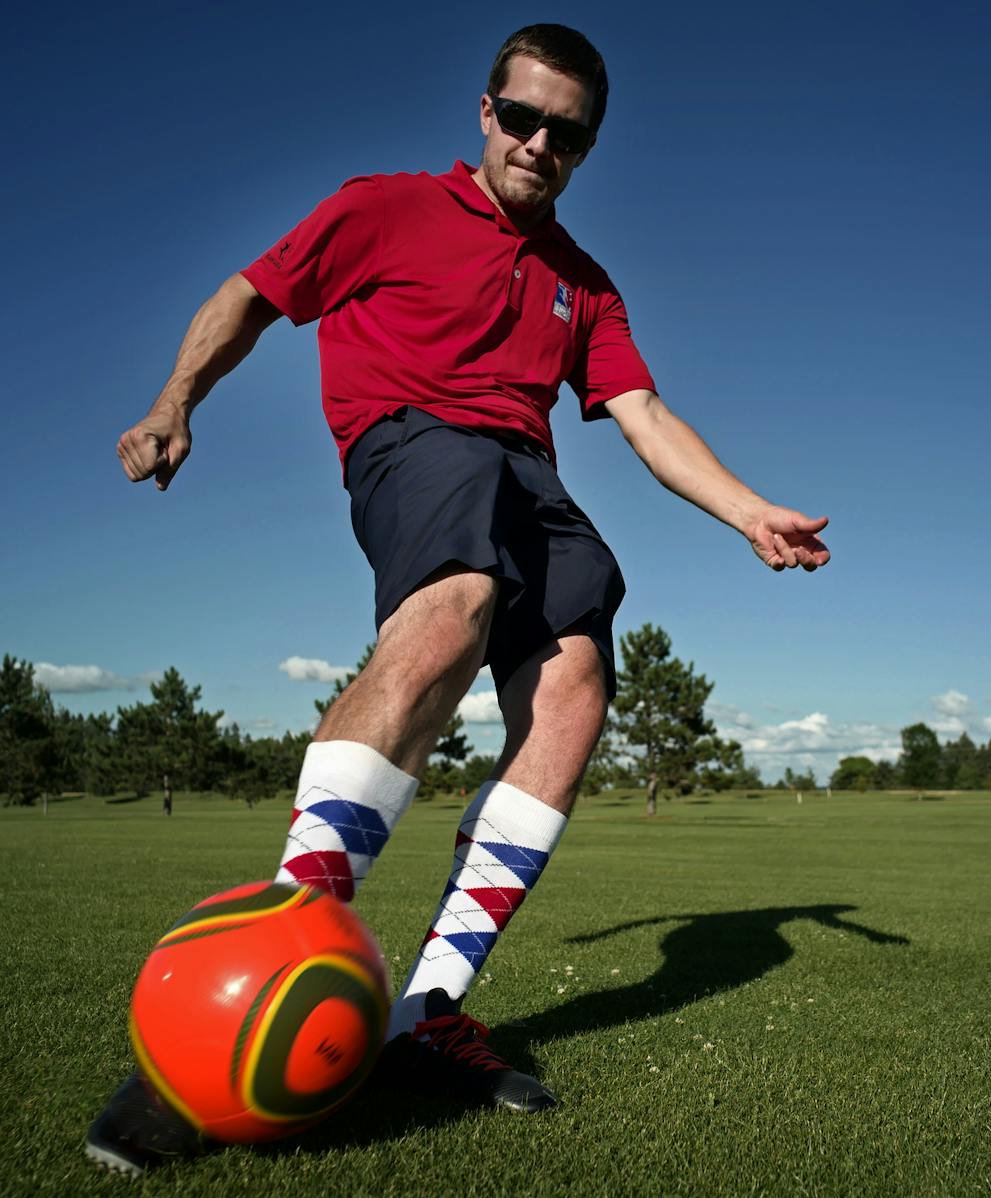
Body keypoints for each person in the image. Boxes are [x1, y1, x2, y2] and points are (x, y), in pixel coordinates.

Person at [88, 24, 830, 1175]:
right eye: (522, 117)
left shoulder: (584, 283)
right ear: (486, 112)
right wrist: (176, 399)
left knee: (576, 688)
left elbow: (639, 413)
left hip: (527, 474)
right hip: (411, 440)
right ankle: (254, 981)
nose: (539, 142)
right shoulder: (381, 207)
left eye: (567, 132)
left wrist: (745, 510)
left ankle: (420, 1012)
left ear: (587, 147)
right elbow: (251, 293)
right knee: (451, 605)